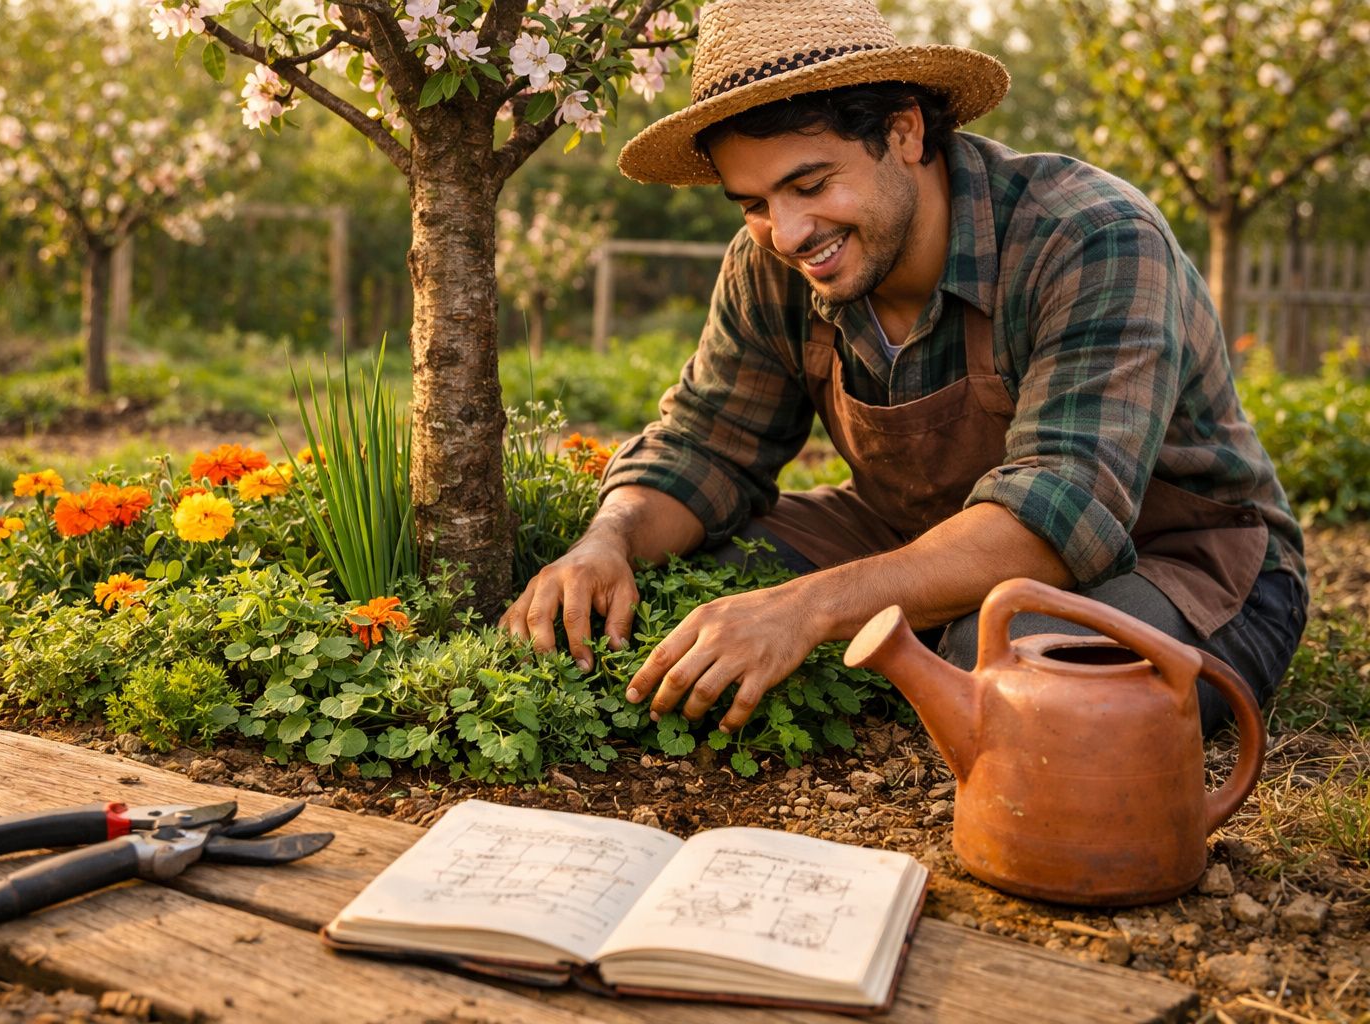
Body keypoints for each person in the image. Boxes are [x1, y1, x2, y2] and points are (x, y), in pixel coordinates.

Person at [499, 0, 1307, 737]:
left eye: (809, 183)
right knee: (684, 589)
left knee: (1006, 667)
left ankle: (914, 639)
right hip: (906, 533)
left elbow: (1060, 520)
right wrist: (608, 542)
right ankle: (893, 629)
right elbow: (704, 445)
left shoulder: (1089, 238)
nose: (785, 231)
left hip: (1178, 556)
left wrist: (806, 609)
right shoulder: (773, 261)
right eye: (751, 202)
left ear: (906, 132)